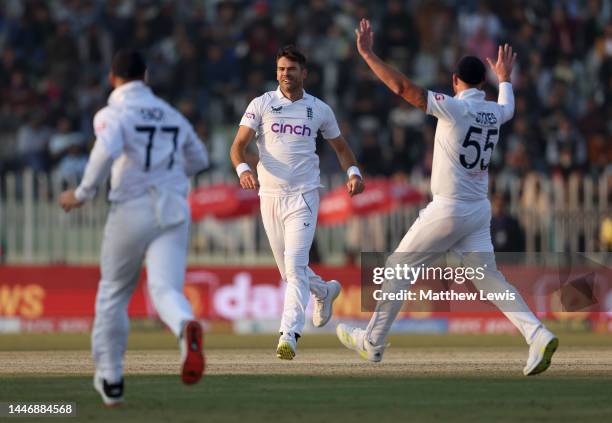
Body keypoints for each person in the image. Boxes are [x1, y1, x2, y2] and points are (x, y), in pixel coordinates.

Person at [336, 19, 558, 376]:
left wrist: (367, 54)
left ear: (455, 82)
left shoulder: (455, 107)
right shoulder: (494, 112)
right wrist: (504, 77)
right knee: (489, 279)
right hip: (478, 211)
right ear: (482, 83)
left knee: (397, 266)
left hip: (449, 208)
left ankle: (372, 343)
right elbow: (509, 106)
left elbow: (400, 86)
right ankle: (537, 334)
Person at [58, 49, 208, 406]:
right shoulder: (173, 115)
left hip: (132, 207)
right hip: (173, 207)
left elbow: (103, 152)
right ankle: (185, 326)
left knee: (113, 293)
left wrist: (83, 192)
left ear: (112, 79)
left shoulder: (114, 113)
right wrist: (168, 176)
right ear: (146, 76)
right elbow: (199, 158)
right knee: (165, 289)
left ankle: (111, 380)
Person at [230, 45, 364, 360]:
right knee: (291, 273)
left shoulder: (318, 109)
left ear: (304, 73)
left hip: (304, 195)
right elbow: (238, 145)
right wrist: (243, 169)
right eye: (280, 69)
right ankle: (325, 291)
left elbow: (342, 148)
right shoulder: (261, 104)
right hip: (270, 196)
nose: (285, 74)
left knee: (294, 266)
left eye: (291, 69)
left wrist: (354, 173)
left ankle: (288, 334)